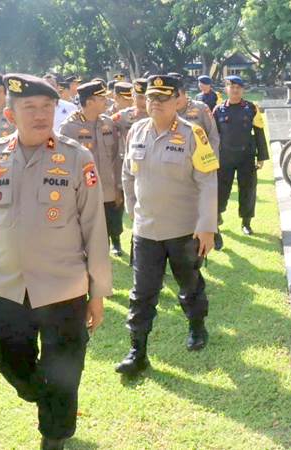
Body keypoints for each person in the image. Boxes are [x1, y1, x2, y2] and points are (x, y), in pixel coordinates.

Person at [0, 74, 111, 450]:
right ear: (10, 114)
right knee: (6, 356)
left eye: (47, 108)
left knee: (65, 369)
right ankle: (44, 399)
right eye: (30, 108)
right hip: (10, 287)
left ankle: (53, 435)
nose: (40, 116)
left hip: (65, 288)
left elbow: (94, 228)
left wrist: (98, 292)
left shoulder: (77, 158)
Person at [117, 74, 219, 376]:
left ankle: (197, 327)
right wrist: (133, 211)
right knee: (142, 292)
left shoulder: (193, 134)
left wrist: (206, 226)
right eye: (151, 98)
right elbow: (128, 174)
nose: (156, 103)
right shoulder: (136, 131)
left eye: (163, 98)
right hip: (146, 230)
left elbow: (207, 181)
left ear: (177, 100)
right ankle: (138, 351)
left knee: (189, 285)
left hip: (183, 230)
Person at [59, 80, 125, 257]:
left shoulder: (108, 123)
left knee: (113, 219)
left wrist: (119, 186)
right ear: (89, 102)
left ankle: (116, 242)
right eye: (101, 98)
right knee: (91, 223)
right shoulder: (69, 128)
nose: (106, 101)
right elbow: (64, 162)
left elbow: (115, 157)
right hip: (85, 189)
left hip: (109, 186)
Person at [212, 75, 268, 247]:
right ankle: (217, 217)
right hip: (225, 157)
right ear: (226, 89)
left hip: (246, 156)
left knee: (248, 190)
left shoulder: (251, 108)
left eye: (238, 87)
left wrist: (262, 156)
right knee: (221, 190)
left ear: (243, 90)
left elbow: (259, 132)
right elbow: (213, 136)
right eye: (231, 87)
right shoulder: (218, 110)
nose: (235, 90)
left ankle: (246, 222)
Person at [111, 78, 149, 159]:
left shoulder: (159, 115)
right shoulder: (123, 115)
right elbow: (104, 123)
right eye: (140, 97)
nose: (144, 102)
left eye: (147, 97)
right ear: (133, 96)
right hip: (132, 161)